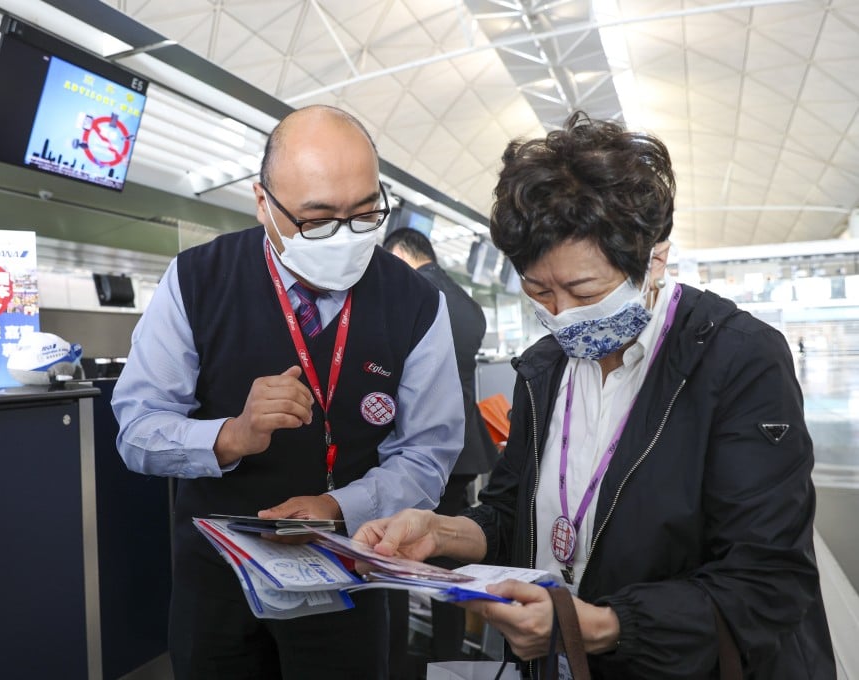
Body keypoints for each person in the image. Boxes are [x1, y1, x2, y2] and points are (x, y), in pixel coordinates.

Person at [354, 111, 834, 678]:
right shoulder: (545, 370)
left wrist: (601, 627)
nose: (560, 316)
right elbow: (514, 514)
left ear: (653, 257)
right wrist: (441, 532)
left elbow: (766, 581)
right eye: (539, 290)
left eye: (583, 289)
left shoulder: (737, 361)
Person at [111, 104, 465, 680]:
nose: (344, 236)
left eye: (365, 213)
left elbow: (428, 452)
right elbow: (136, 429)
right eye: (317, 219)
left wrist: (339, 507)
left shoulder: (416, 302)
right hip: (218, 580)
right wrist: (231, 435)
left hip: (348, 571)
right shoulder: (197, 279)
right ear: (262, 202)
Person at [383, 227, 499, 674]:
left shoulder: (413, 296)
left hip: (415, 450)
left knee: (390, 556)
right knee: (448, 562)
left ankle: (393, 661)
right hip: (464, 451)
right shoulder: (465, 301)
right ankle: (451, 662)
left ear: (401, 254)